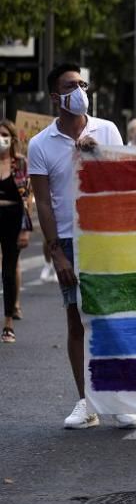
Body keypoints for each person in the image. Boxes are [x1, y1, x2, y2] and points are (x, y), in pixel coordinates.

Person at [28, 63, 136, 430]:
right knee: (77, 323)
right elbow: (43, 202)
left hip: (106, 238)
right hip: (70, 241)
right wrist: (55, 251)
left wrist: (97, 157)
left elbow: (126, 178)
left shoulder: (106, 131)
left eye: (82, 84)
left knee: (113, 321)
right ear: (55, 96)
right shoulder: (39, 144)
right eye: (70, 85)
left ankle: (120, 397)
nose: (79, 90)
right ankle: (86, 401)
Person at [0, 120, 32, 343]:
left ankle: (8, 323)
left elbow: (27, 200)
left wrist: (25, 230)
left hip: (13, 220)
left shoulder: (20, 164)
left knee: (9, 270)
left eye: (4, 135)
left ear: (12, 138)